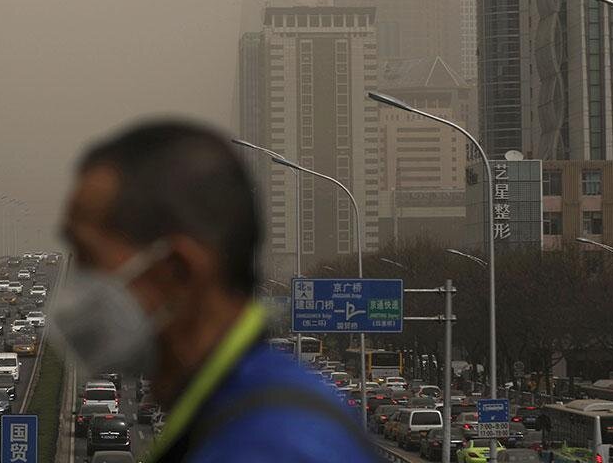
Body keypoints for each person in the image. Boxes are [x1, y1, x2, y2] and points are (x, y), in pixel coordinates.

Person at [53, 120, 379, 463]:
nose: (74, 288)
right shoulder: (228, 413)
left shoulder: (271, 446)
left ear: (178, 271)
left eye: (88, 258)